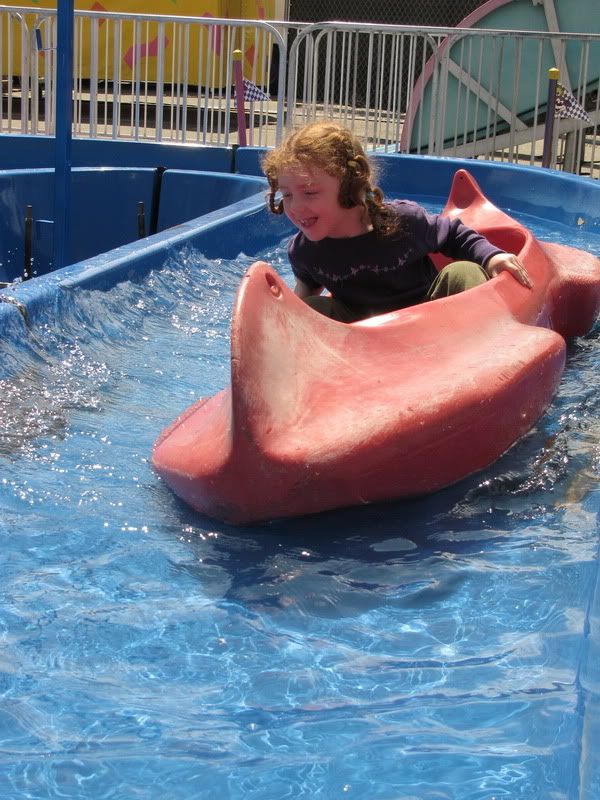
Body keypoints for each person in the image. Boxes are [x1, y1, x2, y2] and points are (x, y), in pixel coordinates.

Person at [261, 121, 532, 323]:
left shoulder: (401, 223)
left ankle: (486, 339)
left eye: (309, 192)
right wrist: (284, 318)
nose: (295, 207)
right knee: (311, 309)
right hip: (360, 332)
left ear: (349, 186)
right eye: (287, 195)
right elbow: (304, 290)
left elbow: (454, 234)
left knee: (464, 272)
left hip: (430, 315)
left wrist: (491, 257)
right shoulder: (305, 250)